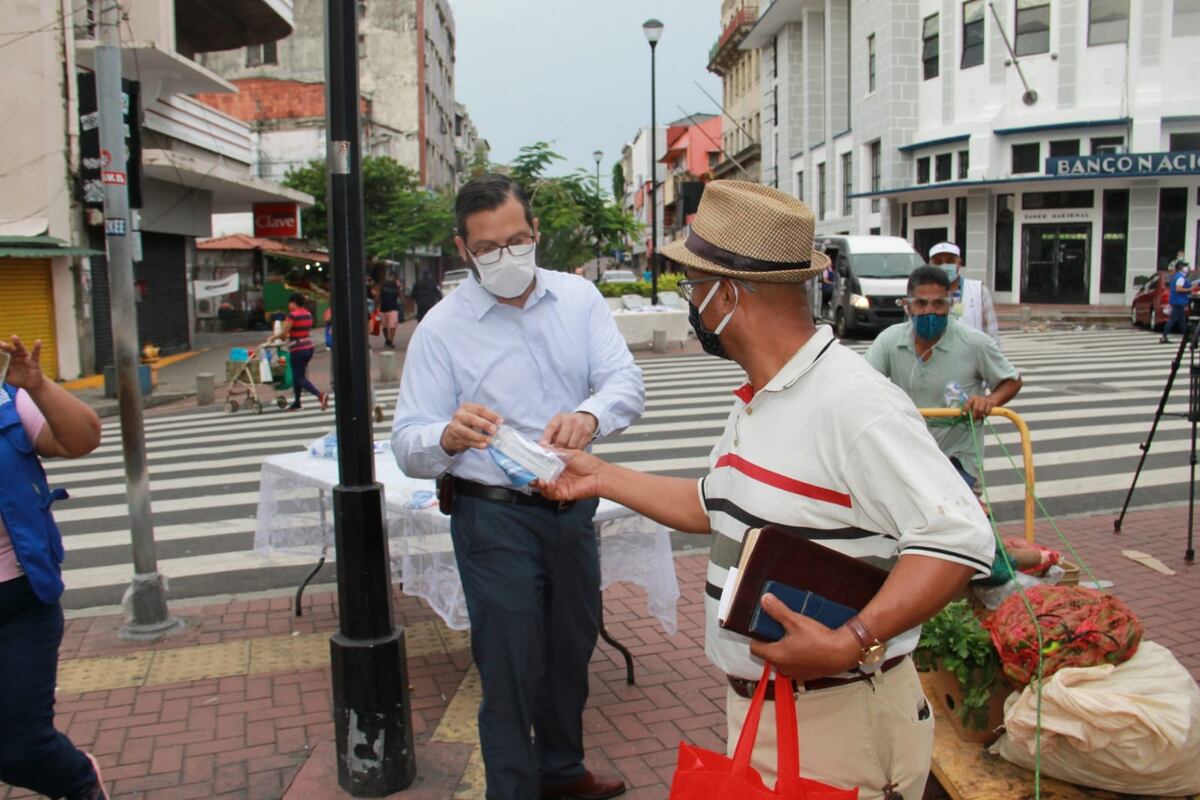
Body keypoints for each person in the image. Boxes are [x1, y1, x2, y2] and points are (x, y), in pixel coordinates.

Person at [538, 181, 994, 800]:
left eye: (691, 288)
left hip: (839, 720)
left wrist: (849, 641)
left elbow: (959, 538)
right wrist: (601, 476)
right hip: (772, 710)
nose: (691, 302)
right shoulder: (766, 394)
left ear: (725, 295)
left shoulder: (853, 404)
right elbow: (712, 504)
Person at [391, 174, 644, 800]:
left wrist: (588, 417)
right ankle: (512, 789)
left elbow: (625, 383)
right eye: (489, 248)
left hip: (570, 505)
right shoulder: (441, 329)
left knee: (571, 649)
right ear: (463, 250)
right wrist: (447, 437)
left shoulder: (578, 299)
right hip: (492, 516)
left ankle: (561, 771)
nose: (508, 257)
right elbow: (407, 441)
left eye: (519, 240)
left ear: (535, 233)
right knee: (508, 669)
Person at [0, 335, 107, 800]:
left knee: (21, 747)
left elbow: (82, 438)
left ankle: (79, 782)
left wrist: (37, 385)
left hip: (17, 604)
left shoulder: (6, 401)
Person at [864, 265, 1023, 491]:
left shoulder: (974, 343)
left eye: (938, 303)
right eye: (921, 303)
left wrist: (990, 401)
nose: (930, 311)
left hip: (956, 458)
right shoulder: (889, 340)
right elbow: (863, 380)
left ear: (950, 304)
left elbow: (1012, 380)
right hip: (906, 453)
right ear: (907, 305)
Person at [927, 242, 1000, 346]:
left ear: (959, 263)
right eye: (938, 262)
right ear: (930, 265)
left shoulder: (978, 290)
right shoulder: (923, 294)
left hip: (972, 357)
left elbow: (992, 332)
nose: (944, 266)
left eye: (950, 261)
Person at [280, 293, 328, 411]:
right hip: (308, 347)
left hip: (297, 348)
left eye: (289, 303)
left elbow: (284, 334)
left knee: (299, 377)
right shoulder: (308, 314)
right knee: (298, 375)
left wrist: (275, 337)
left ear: (293, 303)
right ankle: (297, 402)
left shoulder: (292, 315)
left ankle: (319, 395)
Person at [1160, 258, 1194, 344]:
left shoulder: (1177, 276)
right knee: (1173, 320)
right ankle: (1164, 337)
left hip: (1177, 301)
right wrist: (1189, 289)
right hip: (1178, 302)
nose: (1188, 268)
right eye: (1186, 266)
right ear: (1181, 267)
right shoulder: (1180, 278)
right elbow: (1178, 289)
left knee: (1181, 321)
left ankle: (1187, 337)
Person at [377, 272, 405, 348]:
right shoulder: (383, 285)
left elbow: (402, 298)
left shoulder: (397, 287)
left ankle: (391, 340)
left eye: (393, 277)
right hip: (383, 309)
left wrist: (400, 288)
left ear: (396, 279)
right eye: (390, 276)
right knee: (385, 327)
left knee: (392, 326)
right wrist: (375, 306)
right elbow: (378, 296)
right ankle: (387, 339)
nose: (391, 278)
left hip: (393, 309)